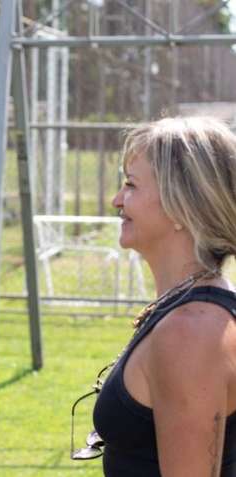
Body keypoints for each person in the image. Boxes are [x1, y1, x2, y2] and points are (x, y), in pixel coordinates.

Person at [72, 117, 236, 476]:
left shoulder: (192, 331)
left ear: (182, 205)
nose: (117, 200)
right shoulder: (188, 310)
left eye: (131, 185)